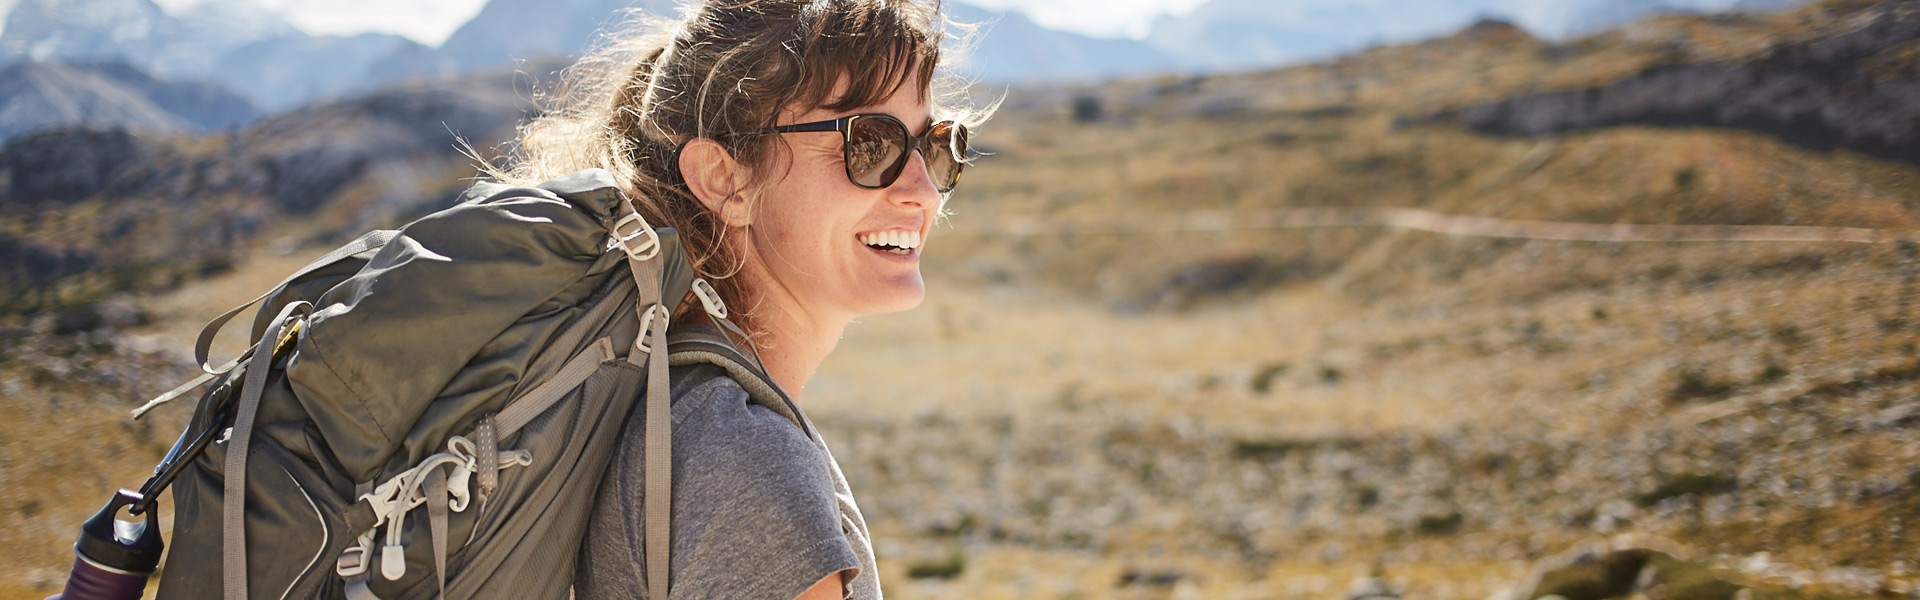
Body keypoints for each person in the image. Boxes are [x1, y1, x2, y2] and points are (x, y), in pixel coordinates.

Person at [483, 0, 987, 598]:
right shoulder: (749, 465)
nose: (924, 190)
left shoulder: (669, 400)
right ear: (726, 180)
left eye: (935, 143)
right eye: (871, 143)